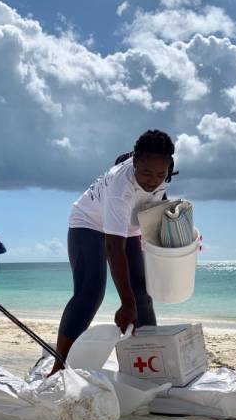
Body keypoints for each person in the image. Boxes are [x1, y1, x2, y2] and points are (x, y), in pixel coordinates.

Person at [50, 130, 177, 373]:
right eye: (146, 173)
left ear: (169, 167)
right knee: (90, 293)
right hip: (88, 223)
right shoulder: (121, 187)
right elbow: (113, 248)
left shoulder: (163, 175)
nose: (153, 180)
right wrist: (125, 303)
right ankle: (59, 367)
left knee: (142, 295)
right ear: (135, 162)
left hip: (127, 227)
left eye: (160, 174)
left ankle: (151, 367)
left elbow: (158, 202)